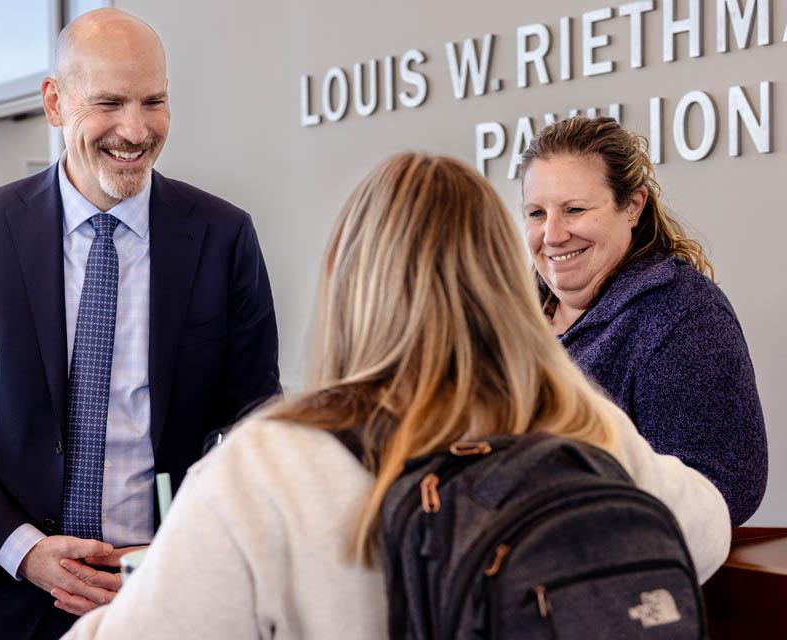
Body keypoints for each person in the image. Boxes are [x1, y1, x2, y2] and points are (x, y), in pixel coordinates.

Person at [62, 153, 730, 639]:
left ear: (351, 284)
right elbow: (707, 528)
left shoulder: (270, 466)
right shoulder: (581, 425)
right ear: (503, 280)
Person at [0, 9, 280, 640]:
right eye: (109, 103)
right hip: (14, 603)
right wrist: (26, 551)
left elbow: (256, 422)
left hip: (175, 597)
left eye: (153, 101)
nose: (135, 129)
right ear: (54, 101)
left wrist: (203, 547)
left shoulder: (223, 234)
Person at [520, 116, 766, 526]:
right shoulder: (510, 318)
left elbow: (724, 489)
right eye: (536, 213)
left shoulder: (683, 317)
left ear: (632, 206)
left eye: (574, 209)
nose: (553, 234)